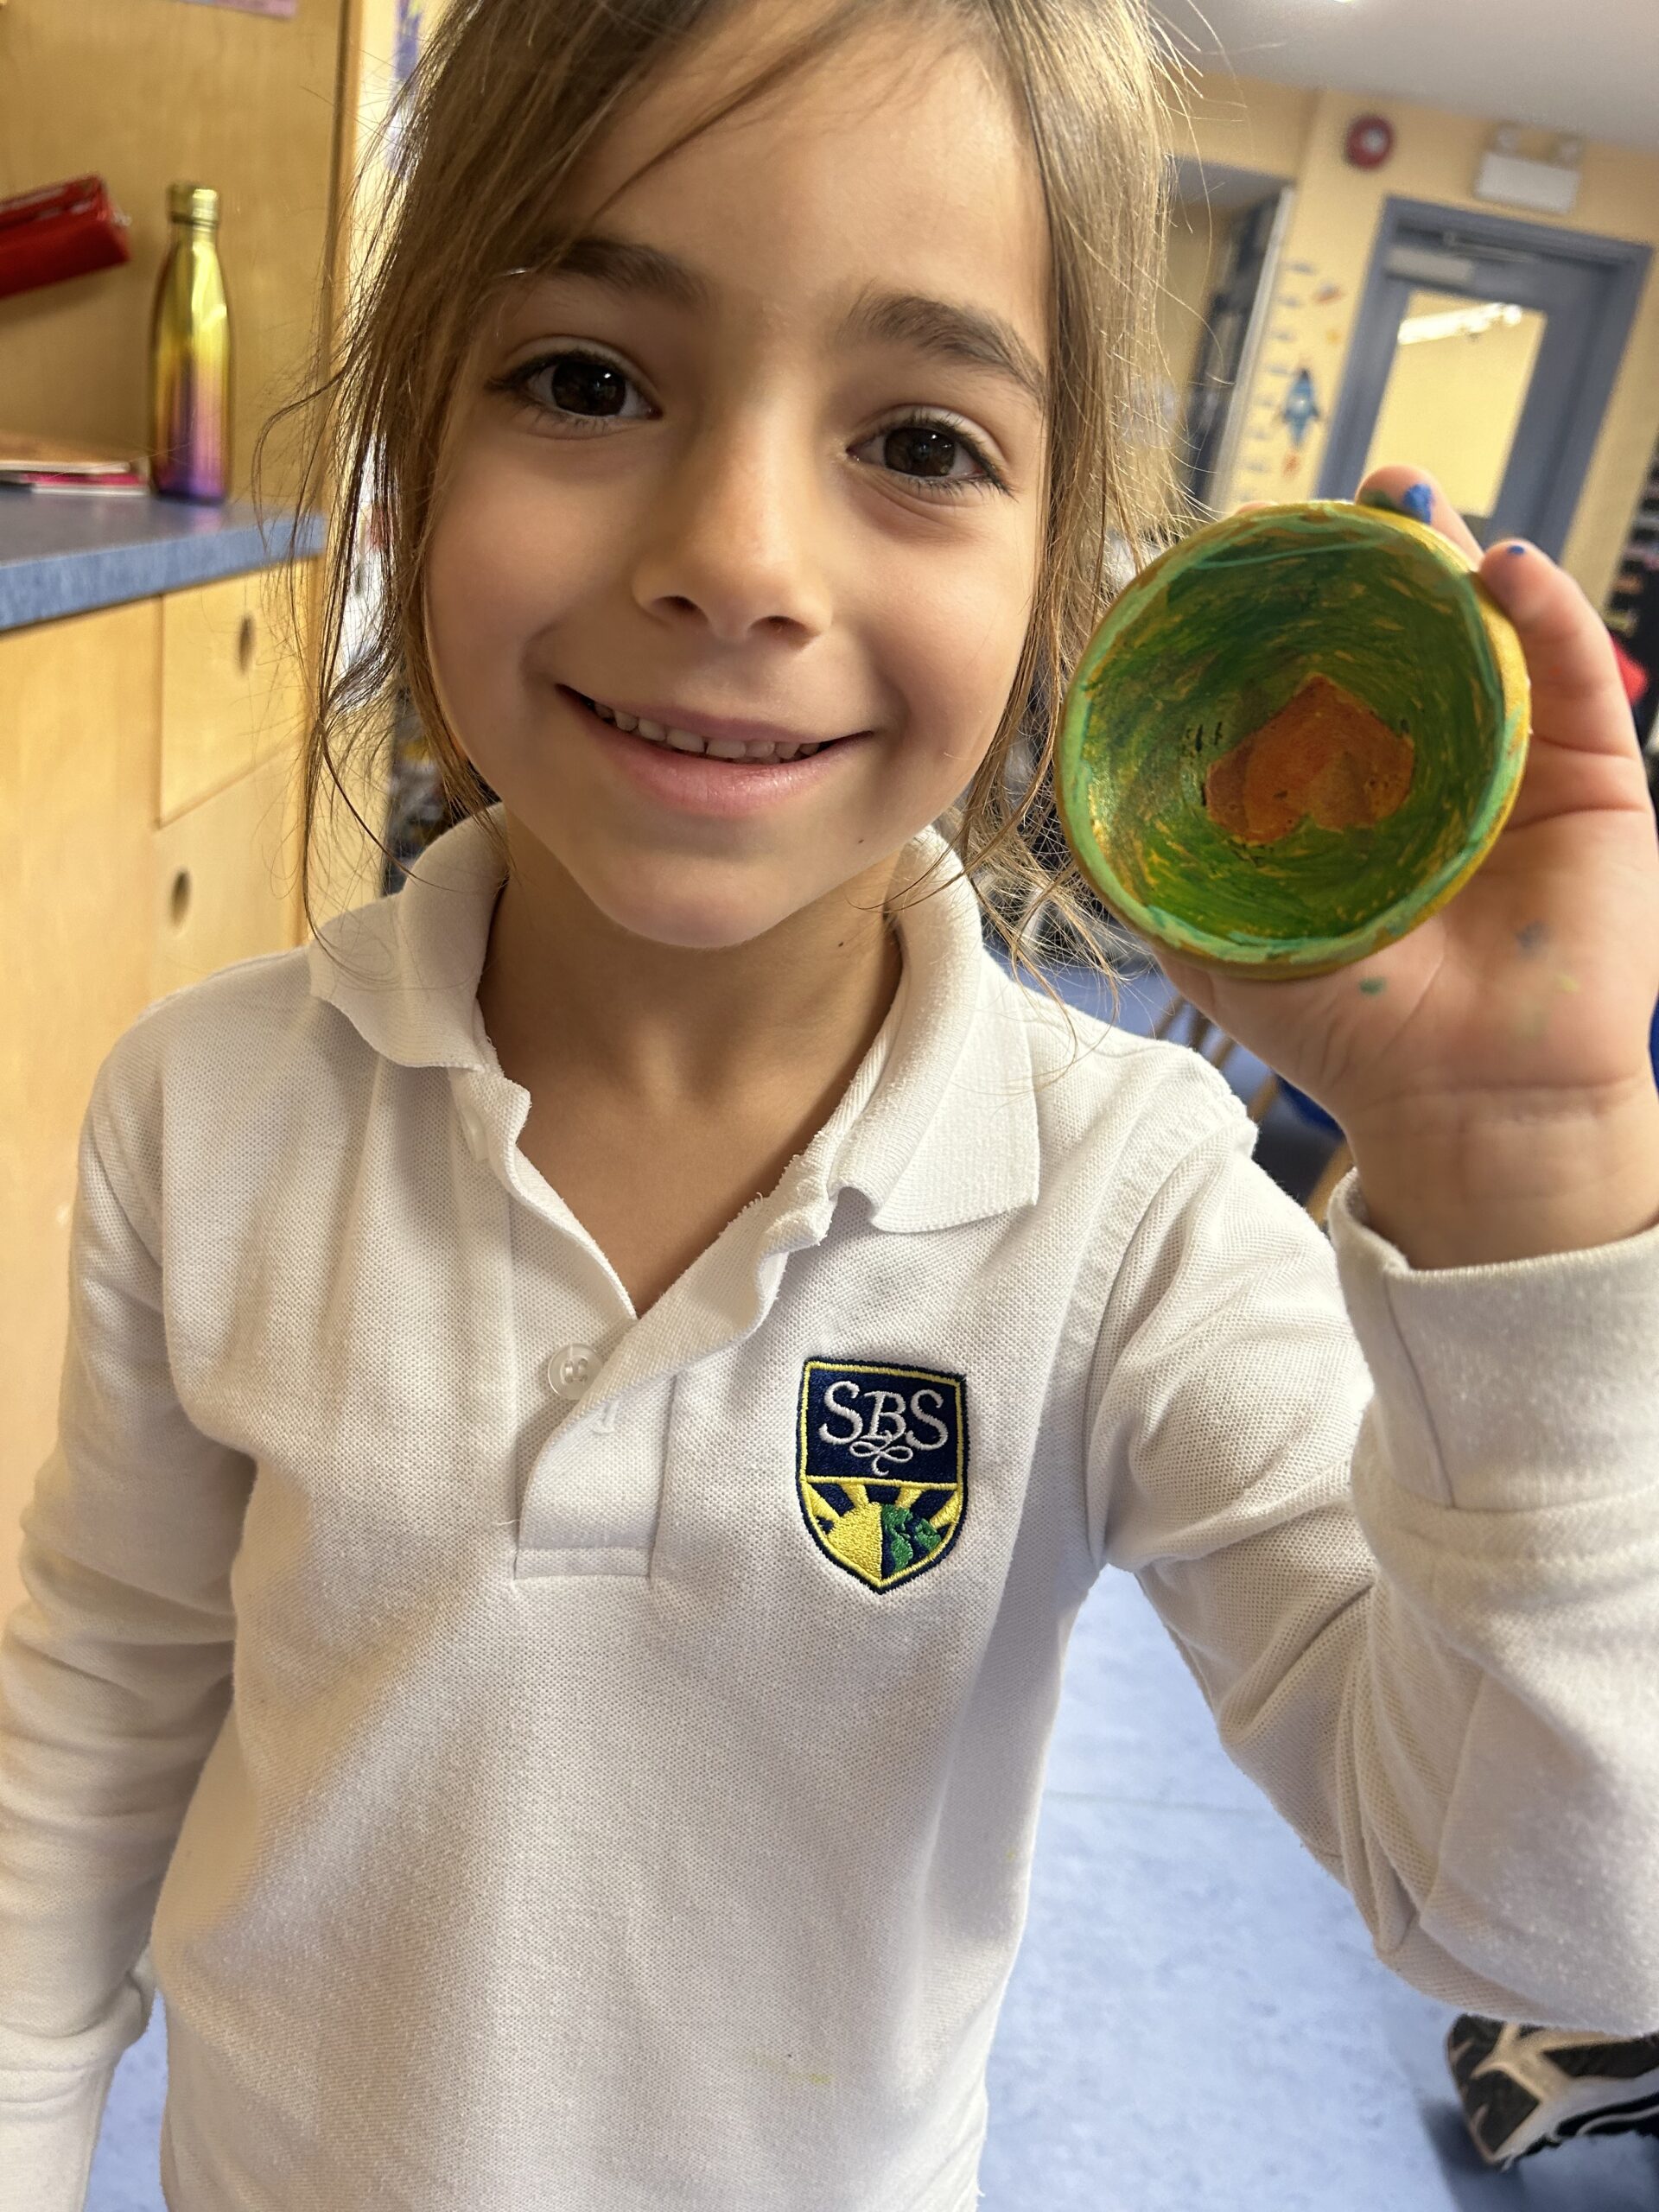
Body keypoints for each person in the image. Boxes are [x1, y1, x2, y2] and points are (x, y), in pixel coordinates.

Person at [3, 3, 1657, 2208]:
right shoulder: (204, 1114)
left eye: (923, 439)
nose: (742, 558)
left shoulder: (1129, 1204)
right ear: (410, 434)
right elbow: (97, 1712)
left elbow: (1538, 1913)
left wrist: (1527, 1170)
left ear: (1066, 575)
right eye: (589, 378)